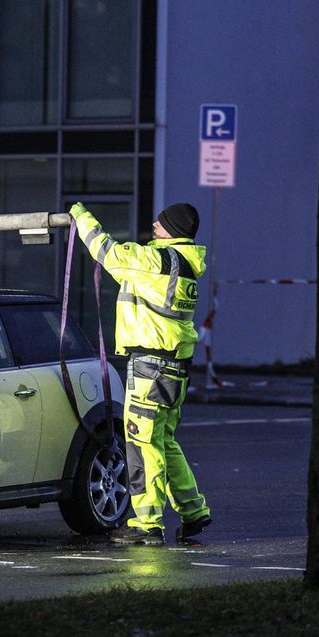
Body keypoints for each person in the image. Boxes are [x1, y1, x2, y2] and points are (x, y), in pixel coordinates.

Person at [69, 201, 212, 546]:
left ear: (173, 230)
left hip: (149, 366)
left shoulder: (156, 259)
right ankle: (194, 511)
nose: (154, 224)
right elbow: (128, 274)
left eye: (161, 222)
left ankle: (146, 524)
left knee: (142, 442)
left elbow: (108, 251)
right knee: (164, 442)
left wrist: (79, 215)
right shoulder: (180, 265)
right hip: (175, 368)